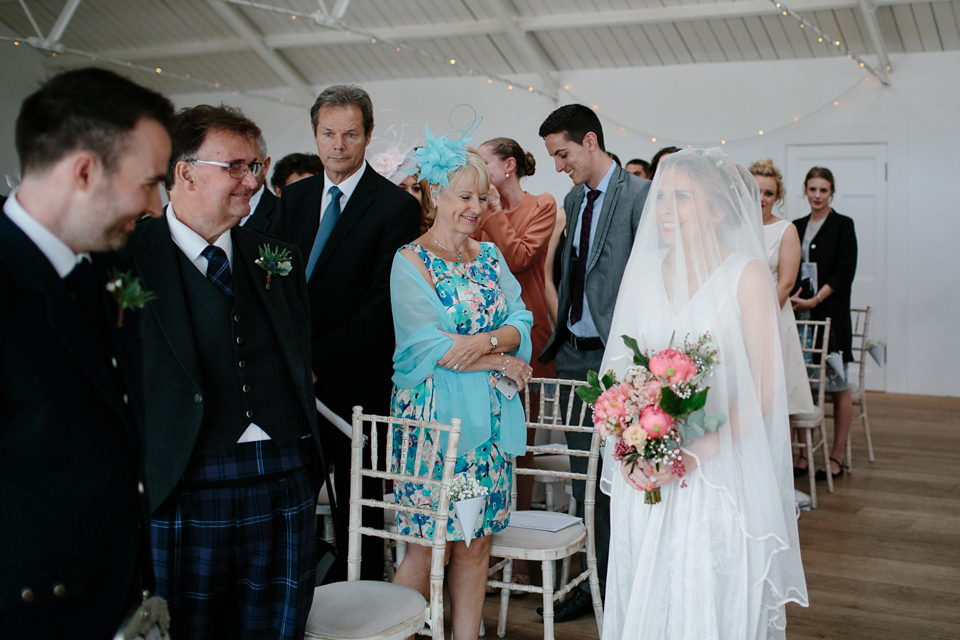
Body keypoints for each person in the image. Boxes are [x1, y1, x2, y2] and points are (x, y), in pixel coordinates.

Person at [126, 105, 324, 640]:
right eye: (234, 167)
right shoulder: (127, 259)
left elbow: (297, 348)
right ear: (184, 171)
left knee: (278, 626)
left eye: (255, 166)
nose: (251, 180)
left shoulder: (276, 255)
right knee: (189, 627)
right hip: (184, 474)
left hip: (284, 469)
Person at [600, 149, 808, 639]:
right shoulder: (646, 267)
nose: (665, 210)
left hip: (717, 469)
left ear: (717, 209)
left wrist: (696, 453)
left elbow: (764, 386)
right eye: (662, 198)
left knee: (704, 592)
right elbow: (621, 373)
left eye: (682, 199)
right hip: (648, 469)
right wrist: (628, 442)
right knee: (647, 587)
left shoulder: (747, 274)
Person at [0, 67, 173, 639]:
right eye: (148, 182)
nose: (155, 205)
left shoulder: (110, 265)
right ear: (83, 171)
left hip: (119, 594)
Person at [270, 84, 421, 580]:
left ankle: (364, 602)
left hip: (356, 380)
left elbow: (381, 307)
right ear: (315, 134)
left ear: (368, 136)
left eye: (350, 134)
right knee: (290, 496)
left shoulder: (393, 207)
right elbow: (274, 283)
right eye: (328, 133)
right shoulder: (292, 199)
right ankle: (301, 591)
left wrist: (316, 361)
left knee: (360, 504)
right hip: (292, 381)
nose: (338, 145)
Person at [390, 145, 533, 640]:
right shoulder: (410, 261)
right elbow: (428, 348)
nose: (476, 207)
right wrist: (499, 357)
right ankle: (397, 634)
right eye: (465, 196)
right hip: (434, 426)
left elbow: (522, 319)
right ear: (434, 194)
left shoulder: (490, 255)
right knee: (431, 544)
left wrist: (483, 343)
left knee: (477, 541)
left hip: (491, 421)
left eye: (482, 197)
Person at [537, 103, 651, 622]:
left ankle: (620, 583)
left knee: (620, 481)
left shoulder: (639, 197)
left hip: (616, 359)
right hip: (572, 357)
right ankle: (595, 585)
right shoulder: (573, 197)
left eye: (562, 153)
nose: (559, 165)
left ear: (589, 141)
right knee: (587, 480)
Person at [790, 166, 857, 480]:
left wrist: (816, 300)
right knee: (803, 384)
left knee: (838, 386)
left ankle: (837, 455)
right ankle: (805, 454)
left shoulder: (843, 225)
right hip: (800, 318)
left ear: (832, 192)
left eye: (823, 190)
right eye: (812, 189)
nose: (817, 196)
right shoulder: (797, 225)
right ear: (805, 190)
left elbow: (844, 273)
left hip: (831, 318)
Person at [749, 159, 814, 416]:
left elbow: (786, 284)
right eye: (756, 190)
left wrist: (757, 320)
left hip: (772, 319)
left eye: (769, 193)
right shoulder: (733, 227)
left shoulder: (786, 230)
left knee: (774, 402)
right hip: (739, 318)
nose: (762, 198)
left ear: (778, 197)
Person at [240, 133, 278, 232]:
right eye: (233, 167)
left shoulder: (287, 216)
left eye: (252, 167)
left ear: (265, 166)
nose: (244, 179)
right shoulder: (207, 212)